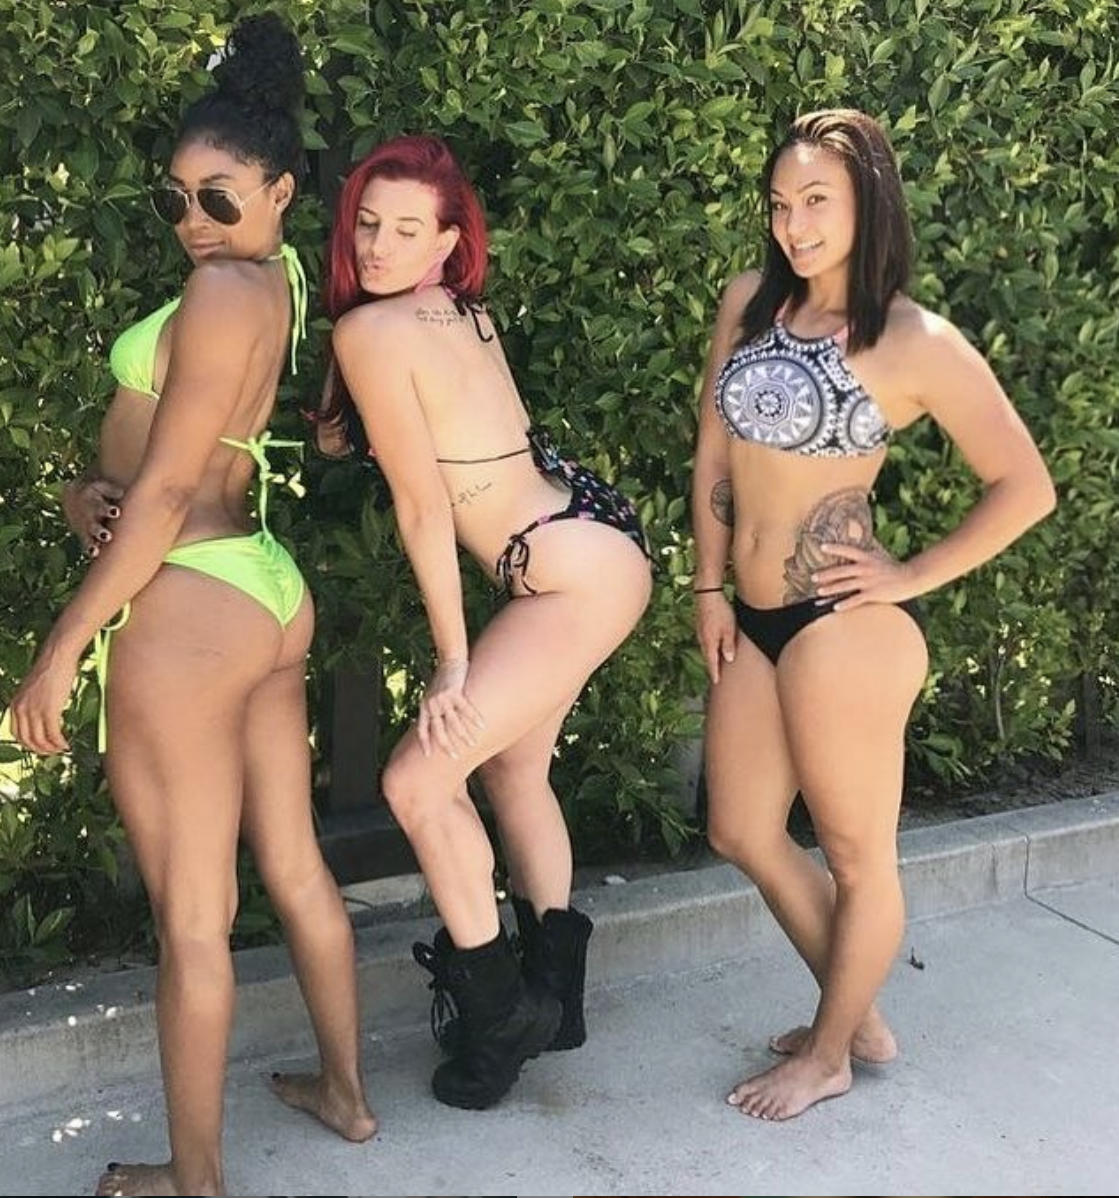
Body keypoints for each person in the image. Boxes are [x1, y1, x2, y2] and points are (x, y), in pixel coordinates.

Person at [9, 14, 376, 1194]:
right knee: (296, 865)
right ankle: (347, 1096)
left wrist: (62, 646)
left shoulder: (220, 291)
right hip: (259, 587)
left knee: (193, 920)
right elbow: (161, 467)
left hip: (191, 602)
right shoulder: (271, 280)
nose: (193, 222)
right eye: (175, 199)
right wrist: (84, 493)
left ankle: (195, 1176)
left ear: (279, 192)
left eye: (218, 198)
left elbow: (167, 491)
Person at [691, 108, 1056, 1122]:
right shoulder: (748, 303)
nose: (795, 224)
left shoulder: (911, 339)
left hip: (842, 623)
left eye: (817, 201)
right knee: (740, 828)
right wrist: (709, 586)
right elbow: (713, 454)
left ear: (868, 204)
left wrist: (912, 573)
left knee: (857, 859)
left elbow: (1024, 485)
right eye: (780, 204)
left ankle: (829, 1053)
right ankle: (856, 1017)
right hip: (753, 616)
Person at [315, 133, 653, 1110]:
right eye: (367, 224)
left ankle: (501, 1019)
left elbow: (425, 508)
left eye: (405, 229)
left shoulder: (371, 332)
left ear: (446, 241)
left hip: (565, 577)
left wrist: (453, 660)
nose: (379, 245)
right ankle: (558, 999)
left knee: (417, 779)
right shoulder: (463, 311)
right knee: (512, 771)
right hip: (592, 540)